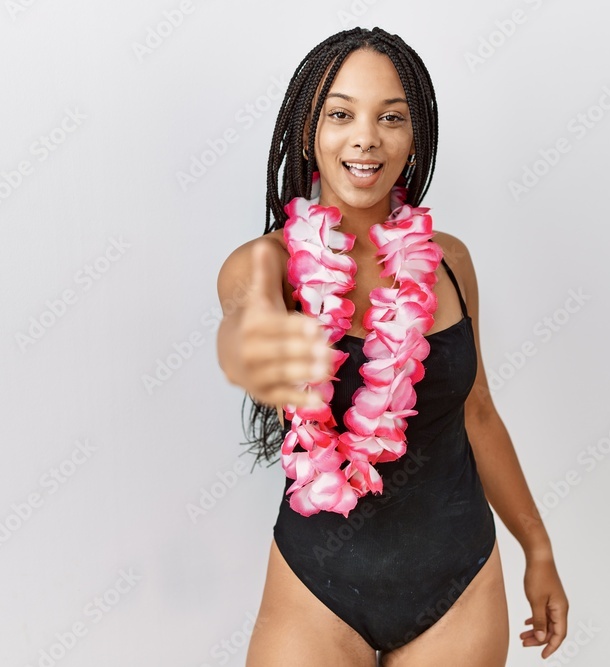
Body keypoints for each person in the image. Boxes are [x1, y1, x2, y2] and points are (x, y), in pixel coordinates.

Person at [215, 26, 568, 667]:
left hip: (458, 582)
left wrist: (537, 548)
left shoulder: (449, 262)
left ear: (415, 136)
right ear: (307, 131)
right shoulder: (266, 264)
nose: (366, 138)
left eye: (392, 117)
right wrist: (262, 348)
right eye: (341, 114)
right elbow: (247, 321)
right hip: (315, 591)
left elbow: (478, 412)